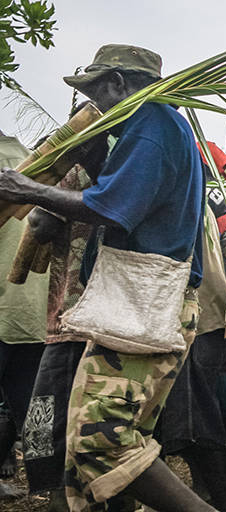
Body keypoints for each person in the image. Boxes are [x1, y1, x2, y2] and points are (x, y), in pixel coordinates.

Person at [0, 44, 210, 511]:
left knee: (102, 442)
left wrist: (25, 188)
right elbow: (123, 197)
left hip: (143, 302)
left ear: (118, 84)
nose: (95, 109)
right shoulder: (153, 129)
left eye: (97, 94)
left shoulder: (153, 124)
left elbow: (110, 209)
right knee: (87, 452)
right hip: (132, 300)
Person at [154, 143, 226, 512]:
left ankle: (221, 499)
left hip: (198, 316)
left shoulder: (185, 187)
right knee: (201, 410)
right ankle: (216, 492)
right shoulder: (191, 189)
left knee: (196, 416)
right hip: (204, 314)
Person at [0, 131, 48, 499]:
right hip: (33, 304)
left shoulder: (22, 156)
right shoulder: (35, 156)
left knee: (31, 401)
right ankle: (48, 484)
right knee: (34, 403)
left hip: (16, 302)